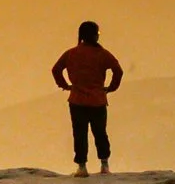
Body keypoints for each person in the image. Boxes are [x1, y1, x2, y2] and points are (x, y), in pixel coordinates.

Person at [52, 18, 123, 173]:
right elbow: (118, 70)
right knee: (100, 132)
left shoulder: (71, 54)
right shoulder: (103, 54)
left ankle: (82, 167)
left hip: (77, 99)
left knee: (79, 133)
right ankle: (104, 164)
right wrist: (111, 88)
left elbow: (56, 70)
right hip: (98, 100)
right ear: (95, 35)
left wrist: (65, 86)